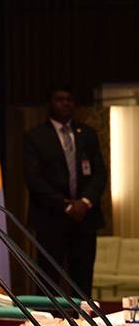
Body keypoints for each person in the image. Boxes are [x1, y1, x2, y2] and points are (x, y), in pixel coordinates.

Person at [23, 85, 107, 295]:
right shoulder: (35, 136)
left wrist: (85, 202)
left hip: (85, 218)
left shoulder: (87, 134)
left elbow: (100, 173)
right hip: (51, 218)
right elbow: (34, 180)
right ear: (49, 104)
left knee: (83, 279)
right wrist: (65, 205)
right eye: (60, 99)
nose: (65, 103)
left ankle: (85, 325)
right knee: (48, 279)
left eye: (69, 99)